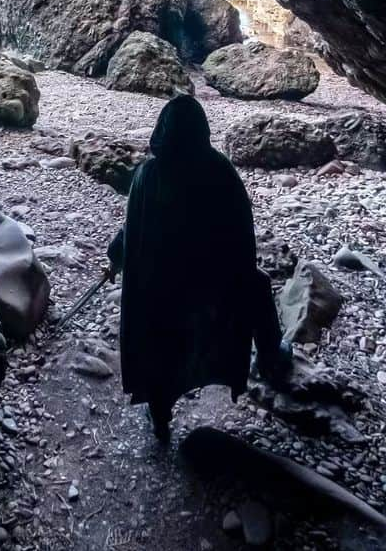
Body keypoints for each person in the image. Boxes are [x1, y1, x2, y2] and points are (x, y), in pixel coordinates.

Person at [107, 93, 292, 443]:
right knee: (257, 287)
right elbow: (241, 236)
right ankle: (271, 357)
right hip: (213, 291)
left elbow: (133, 229)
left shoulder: (148, 175)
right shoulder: (220, 171)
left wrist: (116, 255)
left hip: (162, 293)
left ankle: (160, 413)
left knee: (161, 342)